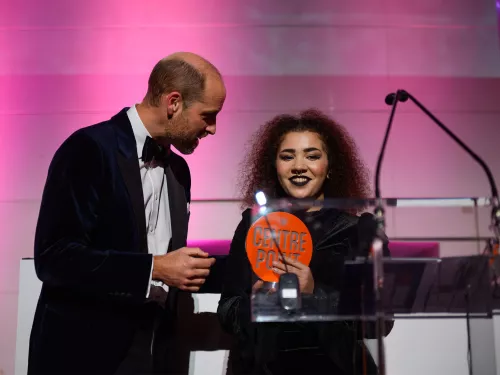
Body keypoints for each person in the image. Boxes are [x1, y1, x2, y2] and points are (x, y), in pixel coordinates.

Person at [28, 52, 226, 375]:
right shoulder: (88, 149)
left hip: (150, 354)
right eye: (208, 115)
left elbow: (179, 269)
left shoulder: (179, 171)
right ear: (173, 103)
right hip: (84, 355)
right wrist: (155, 268)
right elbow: (54, 258)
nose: (213, 128)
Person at [217, 109, 394, 375]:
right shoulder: (254, 226)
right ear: (274, 167)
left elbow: (380, 321)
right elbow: (227, 311)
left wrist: (314, 294)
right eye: (287, 157)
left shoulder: (360, 231)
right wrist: (255, 304)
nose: (299, 166)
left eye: (312, 156)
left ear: (331, 166)